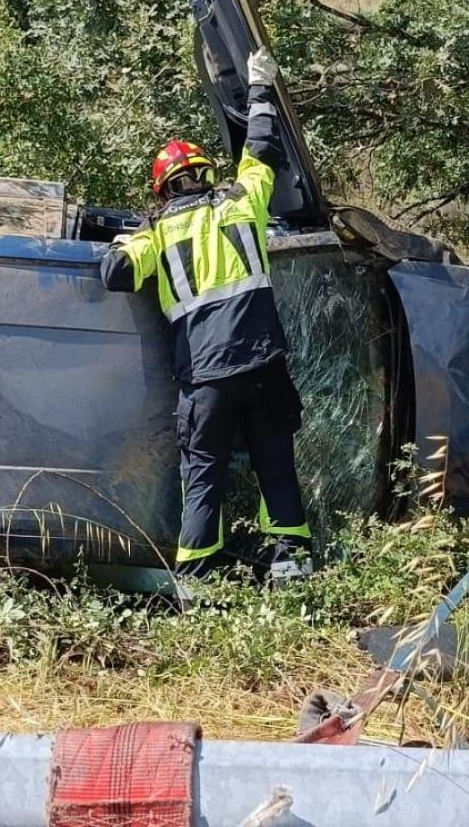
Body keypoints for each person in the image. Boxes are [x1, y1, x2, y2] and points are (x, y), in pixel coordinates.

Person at [99, 47, 310, 580]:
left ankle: (198, 577)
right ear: (204, 173)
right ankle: (291, 563)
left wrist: (126, 241)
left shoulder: (158, 231)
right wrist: (261, 89)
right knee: (276, 467)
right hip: (263, 366)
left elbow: (115, 275)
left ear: (163, 189)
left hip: (207, 378)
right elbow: (261, 148)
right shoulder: (241, 201)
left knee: (204, 475)